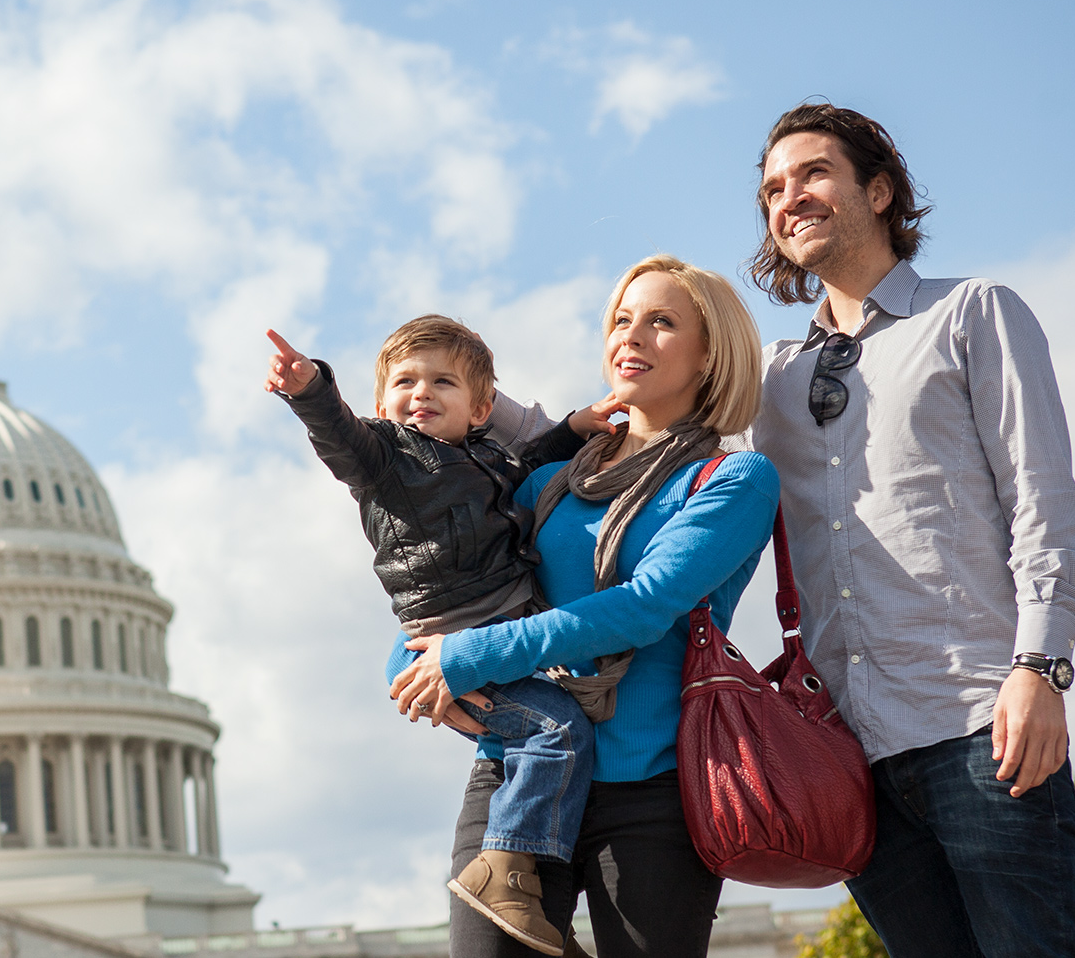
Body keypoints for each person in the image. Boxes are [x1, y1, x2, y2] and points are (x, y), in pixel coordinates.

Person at [747, 103, 1075, 957]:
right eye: (771, 190)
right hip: (849, 764)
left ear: (879, 189)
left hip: (985, 729)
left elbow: (1045, 507)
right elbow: (648, 432)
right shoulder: (769, 382)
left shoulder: (975, 313)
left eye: (812, 174)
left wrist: (1040, 670)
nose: (789, 198)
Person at [391, 256, 778, 958]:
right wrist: (417, 662)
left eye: (662, 322)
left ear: (710, 355)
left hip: (651, 790)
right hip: (518, 776)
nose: (632, 336)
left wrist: (466, 655)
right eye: (622, 319)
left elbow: (641, 607)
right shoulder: (546, 480)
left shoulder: (734, 478)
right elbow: (449, 578)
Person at [266, 316, 618, 955]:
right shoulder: (385, 458)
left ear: (481, 407)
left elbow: (525, 464)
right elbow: (338, 437)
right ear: (381, 403)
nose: (420, 392)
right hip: (451, 638)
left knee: (550, 734)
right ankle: (504, 870)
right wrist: (311, 390)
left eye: (442, 382)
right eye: (404, 381)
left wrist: (572, 429)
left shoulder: (484, 457)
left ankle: (527, 885)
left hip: (491, 636)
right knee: (557, 731)